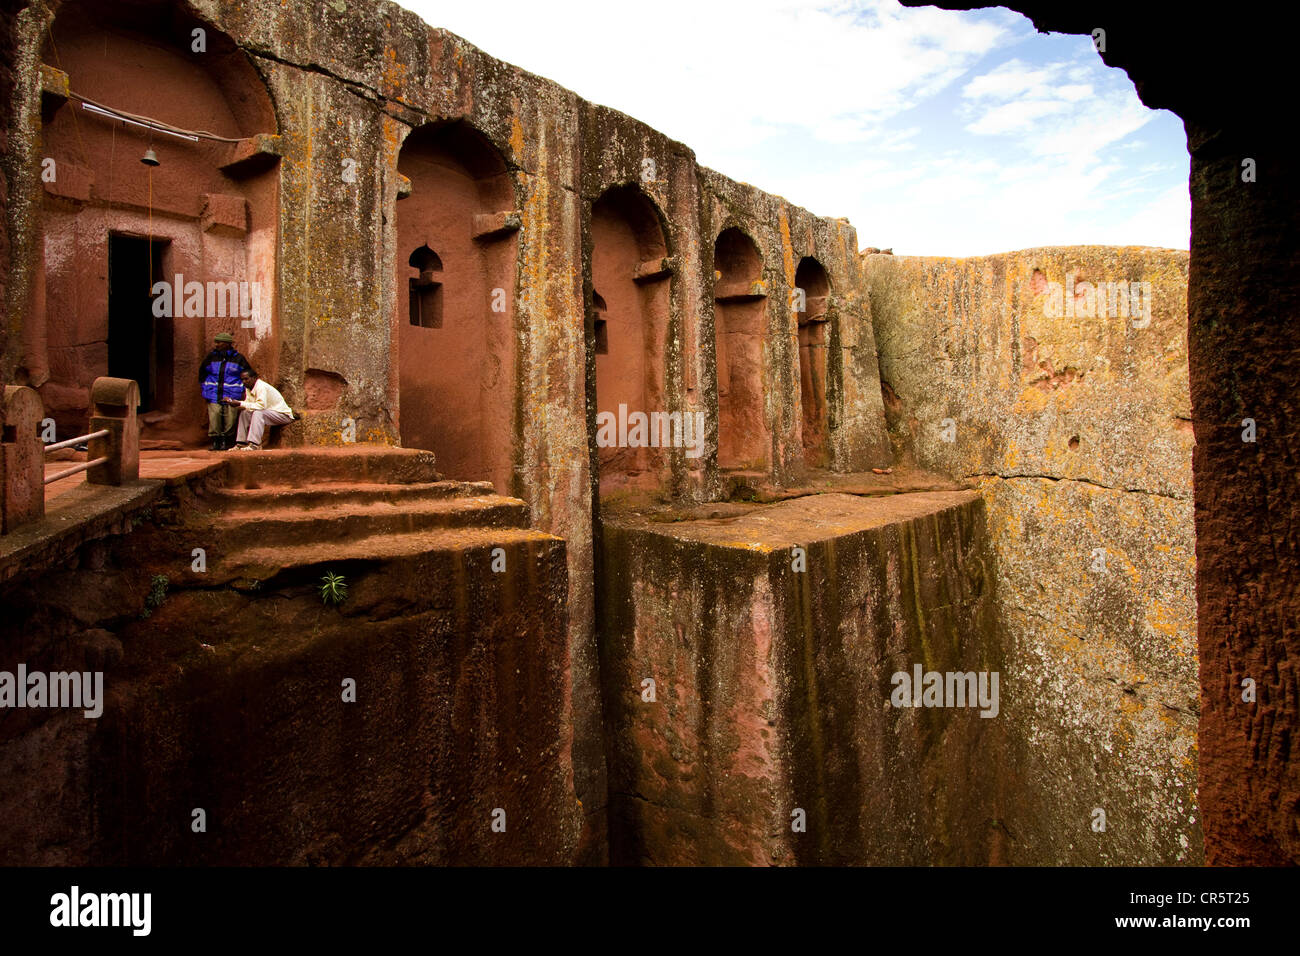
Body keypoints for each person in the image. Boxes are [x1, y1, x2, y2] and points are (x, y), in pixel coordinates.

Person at [199, 332, 251, 451]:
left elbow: (248, 374)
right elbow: (202, 373)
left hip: (232, 393)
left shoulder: (239, 358)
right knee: (214, 416)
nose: (216, 345)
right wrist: (205, 387)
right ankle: (216, 441)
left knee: (231, 419)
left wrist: (241, 389)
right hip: (213, 393)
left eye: (219, 342)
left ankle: (226, 442)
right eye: (216, 342)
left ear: (227, 344)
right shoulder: (211, 357)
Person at [224, 369, 295, 450]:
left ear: (254, 378)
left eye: (246, 379)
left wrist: (240, 403)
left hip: (283, 416)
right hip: (269, 413)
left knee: (258, 413)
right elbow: (248, 405)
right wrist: (234, 403)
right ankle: (241, 443)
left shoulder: (261, 387)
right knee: (245, 413)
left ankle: (255, 445)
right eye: (242, 379)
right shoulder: (249, 388)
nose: (244, 382)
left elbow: (260, 406)